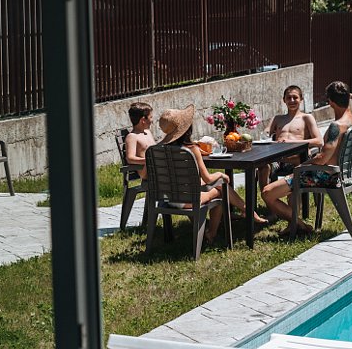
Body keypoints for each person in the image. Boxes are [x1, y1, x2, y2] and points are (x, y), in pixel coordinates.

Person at [261, 81, 352, 234]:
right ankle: (298, 224)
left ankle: (300, 225)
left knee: (267, 193)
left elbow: (322, 158)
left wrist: (301, 166)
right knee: (278, 186)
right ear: (349, 97)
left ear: (330, 102)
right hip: (340, 174)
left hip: (324, 176)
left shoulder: (336, 126)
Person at [157, 105, 259, 244]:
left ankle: (246, 212)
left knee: (217, 188)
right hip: (188, 200)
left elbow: (148, 175)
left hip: (167, 198)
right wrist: (220, 174)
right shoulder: (192, 149)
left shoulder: (156, 149)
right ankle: (213, 232)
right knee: (221, 190)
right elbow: (208, 179)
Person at [257, 85, 323, 189]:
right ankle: (266, 195)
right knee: (262, 166)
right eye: (288, 98)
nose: (292, 100)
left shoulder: (306, 118)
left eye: (295, 97)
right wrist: (266, 133)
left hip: (297, 158)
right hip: (278, 159)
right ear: (284, 100)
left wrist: (290, 142)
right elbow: (265, 135)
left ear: (301, 99)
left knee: (298, 161)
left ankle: (294, 195)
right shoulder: (277, 119)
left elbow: (319, 141)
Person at [125, 102, 155, 179]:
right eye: (151, 117)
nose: (152, 120)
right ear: (143, 120)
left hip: (156, 167)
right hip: (147, 171)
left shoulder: (148, 132)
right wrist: (147, 160)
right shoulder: (132, 137)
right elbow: (130, 158)